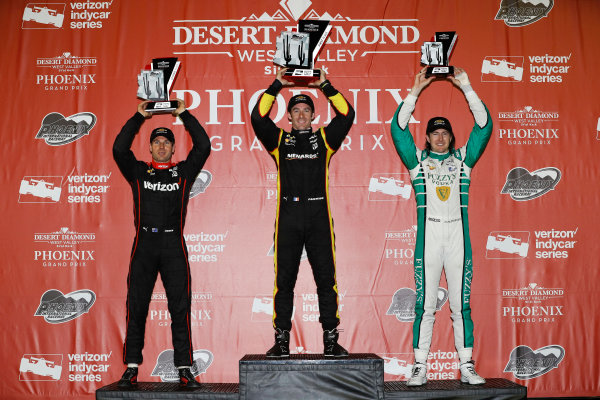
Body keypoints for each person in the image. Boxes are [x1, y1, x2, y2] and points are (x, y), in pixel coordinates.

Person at [389, 67, 492, 386]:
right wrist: (415, 91)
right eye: (434, 132)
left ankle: (467, 365)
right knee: (425, 305)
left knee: (462, 305)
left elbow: (484, 127)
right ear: (428, 137)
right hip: (429, 237)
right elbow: (397, 129)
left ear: (451, 136)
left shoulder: (464, 160)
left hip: (458, 237)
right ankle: (420, 365)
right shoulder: (417, 161)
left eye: (445, 131)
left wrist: (467, 87)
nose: (440, 136)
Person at [251, 68, 355, 358]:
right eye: (295, 110)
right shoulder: (279, 142)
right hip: (289, 217)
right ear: (288, 116)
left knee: (327, 281)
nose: (300, 114)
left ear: (312, 116)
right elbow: (258, 118)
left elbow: (347, 115)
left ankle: (331, 341)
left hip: (319, 217)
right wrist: (277, 85)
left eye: (305, 110)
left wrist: (324, 83)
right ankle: (281, 341)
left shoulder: (325, 140)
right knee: (284, 281)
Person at [113, 99, 211, 388]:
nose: (161, 146)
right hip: (143, 243)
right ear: (150, 148)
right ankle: (131, 368)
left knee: (180, 308)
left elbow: (203, 146)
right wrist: (138, 116)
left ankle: (184, 367)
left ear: (172, 148)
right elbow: (119, 148)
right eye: (156, 142)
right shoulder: (139, 172)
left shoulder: (183, 173)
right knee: (137, 306)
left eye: (166, 142)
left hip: (172, 245)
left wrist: (182, 113)